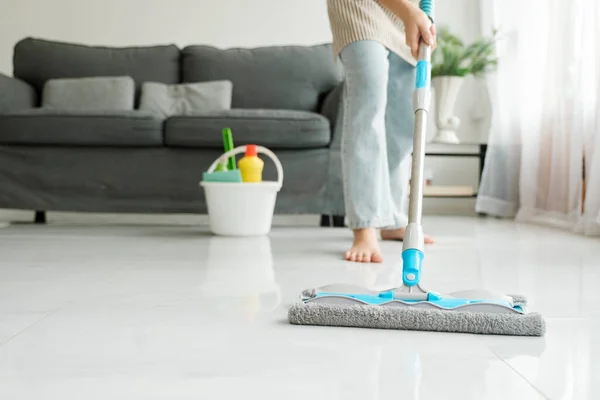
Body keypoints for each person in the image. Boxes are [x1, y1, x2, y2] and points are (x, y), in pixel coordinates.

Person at [327, 0, 437, 263]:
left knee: (404, 116)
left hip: (410, 12)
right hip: (359, 7)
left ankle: (392, 218)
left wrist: (423, 15)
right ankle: (365, 226)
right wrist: (410, 11)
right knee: (368, 102)